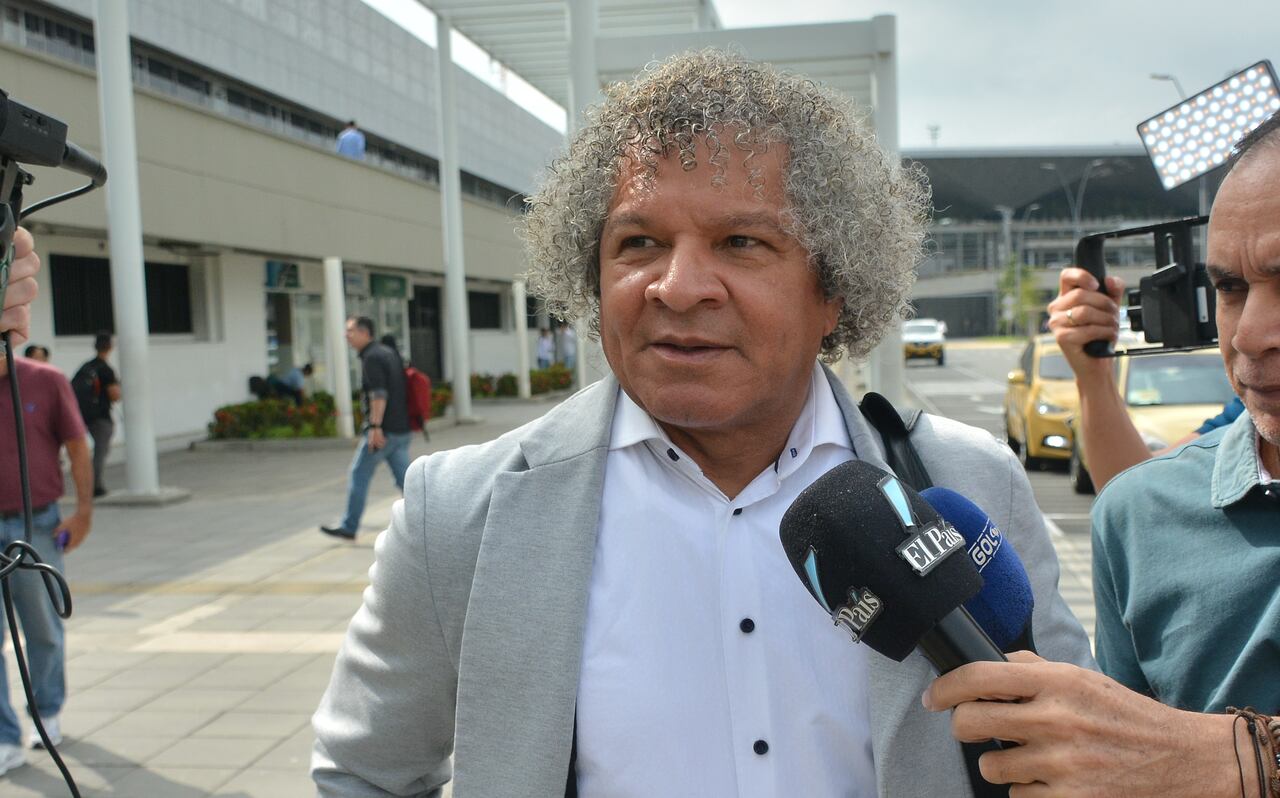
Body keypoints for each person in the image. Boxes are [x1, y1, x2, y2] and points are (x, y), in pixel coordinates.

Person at [312, 51, 1093, 796]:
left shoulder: (968, 482)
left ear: (835, 294)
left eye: (741, 242)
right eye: (640, 242)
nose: (678, 288)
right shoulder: (459, 516)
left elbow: (1079, 753)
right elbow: (364, 774)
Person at [925, 112, 1280, 796]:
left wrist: (1230, 757)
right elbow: (1148, 503)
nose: (1252, 334)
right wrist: (1091, 374)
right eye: (1231, 288)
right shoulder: (1151, 507)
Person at [0, 346, 94, 774]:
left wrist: (83, 512)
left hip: (34, 523)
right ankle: (4, 737)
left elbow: (77, 447)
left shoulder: (44, 379)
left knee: (41, 626)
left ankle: (47, 712)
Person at [319, 317, 410, 541]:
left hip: (384, 431)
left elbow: (379, 394)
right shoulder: (387, 352)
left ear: (364, 333)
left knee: (359, 474)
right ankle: (435, 518)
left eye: (350, 330)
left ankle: (349, 527)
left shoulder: (372, 357)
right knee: (408, 481)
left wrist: (375, 426)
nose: (346, 335)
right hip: (401, 429)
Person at [72, 333, 120, 498]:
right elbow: (114, 395)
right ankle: (95, 486)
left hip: (83, 414)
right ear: (110, 347)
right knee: (100, 452)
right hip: (101, 417)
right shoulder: (106, 369)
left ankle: (88, 483)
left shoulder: (86, 367)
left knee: (87, 452)